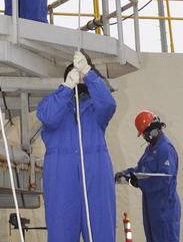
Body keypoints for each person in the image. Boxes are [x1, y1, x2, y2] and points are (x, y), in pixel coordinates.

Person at [36, 49, 116, 242]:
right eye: (75, 76)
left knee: (101, 233)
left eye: (81, 77)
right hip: (61, 180)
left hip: (95, 176)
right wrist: (66, 87)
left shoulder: (96, 110)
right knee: (61, 235)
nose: (79, 80)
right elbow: (46, 116)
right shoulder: (52, 105)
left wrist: (89, 73)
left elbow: (108, 104)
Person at [115, 110, 181, 242]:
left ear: (152, 131)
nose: (144, 138)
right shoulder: (150, 149)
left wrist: (139, 182)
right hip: (152, 208)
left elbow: (164, 180)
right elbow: (141, 169)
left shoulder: (165, 149)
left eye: (145, 134)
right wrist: (126, 174)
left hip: (164, 209)